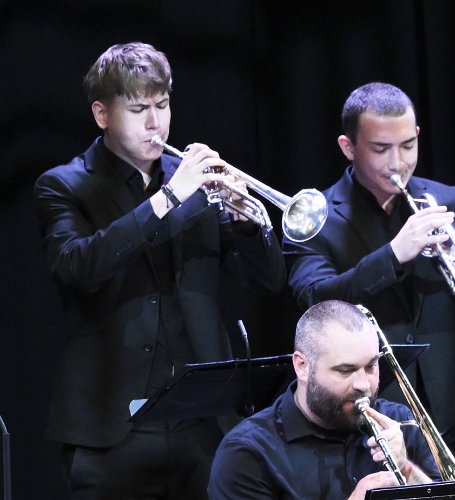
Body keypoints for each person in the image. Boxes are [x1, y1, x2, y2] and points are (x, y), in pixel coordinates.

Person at [34, 41, 285, 499]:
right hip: (110, 432)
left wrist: (249, 225)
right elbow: (77, 267)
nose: (155, 123)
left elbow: (269, 282)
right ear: (102, 114)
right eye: (138, 109)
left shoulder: (193, 180)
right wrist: (167, 200)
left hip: (203, 427)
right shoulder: (65, 185)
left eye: (162, 105)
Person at [284, 82, 455, 429]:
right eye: (381, 149)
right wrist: (394, 255)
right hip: (366, 408)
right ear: (348, 147)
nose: (398, 163)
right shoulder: (314, 217)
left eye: (408, 145)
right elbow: (313, 300)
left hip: (450, 401)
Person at [209, 300, 439, 499]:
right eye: (345, 370)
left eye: (371, 366)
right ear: (302, 366)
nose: (363, 384)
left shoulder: (400, 422)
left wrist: (406, 469)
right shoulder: (247, 453)